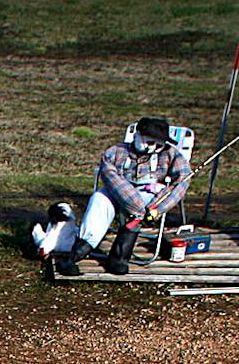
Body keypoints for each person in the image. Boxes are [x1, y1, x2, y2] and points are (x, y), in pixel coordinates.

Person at [34, 117, 194, 276]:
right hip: (116, 191)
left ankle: (119, 259)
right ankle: (76, 254)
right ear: (138, 136)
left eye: (159, 145)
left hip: (149, 194)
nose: (154, 149)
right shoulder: (115, 152)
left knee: (136, 213)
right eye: (150, 143)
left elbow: (183, 179)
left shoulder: (171, 154)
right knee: (99, 200)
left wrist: (159, 208)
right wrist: (136, 205)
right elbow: (111, 177)